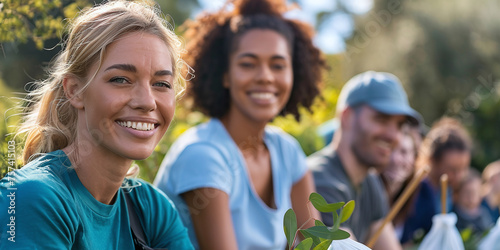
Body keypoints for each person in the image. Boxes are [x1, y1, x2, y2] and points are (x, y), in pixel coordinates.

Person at [0, 1, 193, 249]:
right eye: (121, 79)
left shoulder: (152, 209)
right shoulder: (33, 197)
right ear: (75, 90)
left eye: (161, 84)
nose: (147, 102)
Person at [153, 0, 326, 249]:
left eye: (278, 65)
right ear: (225, 74)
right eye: (248, 64)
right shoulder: (203, 155)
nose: (265, 76)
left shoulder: (287, 151)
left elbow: (316, 242)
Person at [308, 71, 421, 250]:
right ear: (347, 117)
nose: (394, 136)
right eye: (381, 119)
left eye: (399, 125)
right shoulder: (319, 181)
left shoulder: (370, 181)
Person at [402, 117, 472, 244]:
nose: (458, 176)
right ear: (432, 160)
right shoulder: (416, 192)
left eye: (463, 169)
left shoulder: (451, 191)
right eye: (452, 169)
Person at [379, 124, 421, 241]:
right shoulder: (366, 191)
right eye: (391, 150)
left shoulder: (419, 196)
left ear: (414, 158)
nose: (395, 159)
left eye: (404, 152)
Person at [453, 168, 493, 235]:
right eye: (467, 193)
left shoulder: (484, 214)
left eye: (475, 193)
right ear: (457, 194)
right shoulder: (454, 217)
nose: (470, 198)